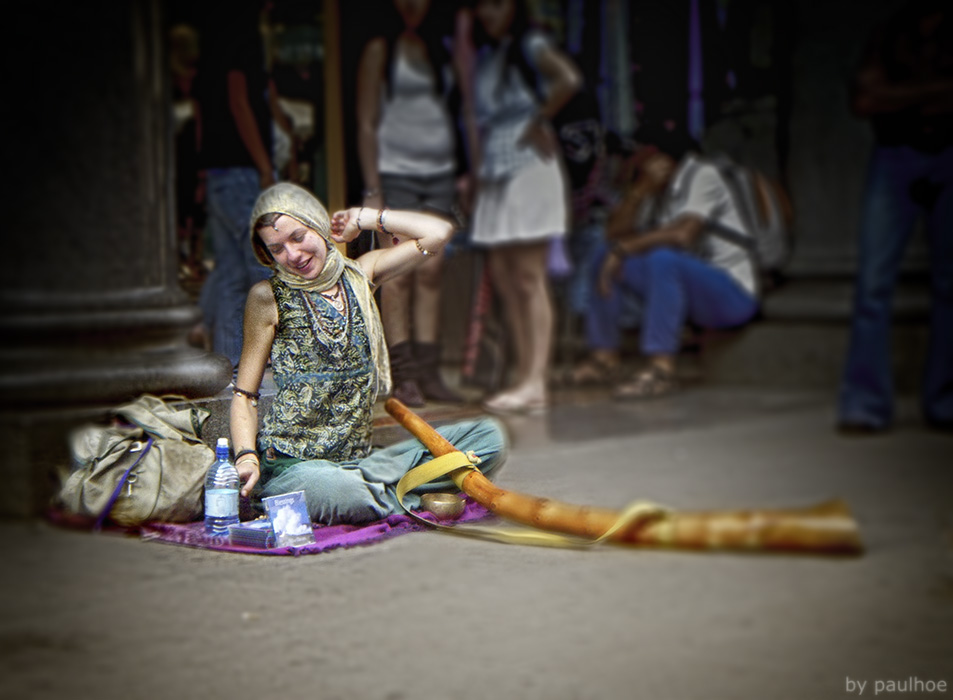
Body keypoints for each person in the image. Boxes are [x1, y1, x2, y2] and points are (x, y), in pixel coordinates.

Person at [229, 183, 507, 525]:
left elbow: (438, 233)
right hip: (296, 467)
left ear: (319, 224)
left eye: (299, 236)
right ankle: (411, 494)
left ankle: (388, 493)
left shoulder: (361, 274)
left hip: (362, 462)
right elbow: (244, 396)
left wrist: (365, 218)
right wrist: (246, 457)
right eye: (277, 249)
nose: (293, 254)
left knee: (488, 437)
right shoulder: (267, 297)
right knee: (343, 493)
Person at [569, 123, 760, 399]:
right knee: (603, 254)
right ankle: (604, 358)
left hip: (732, 294)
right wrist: (640, 190)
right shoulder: (654, 189)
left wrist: (624, 249)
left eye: (637, 155)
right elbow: (614, 234)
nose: (628, 163)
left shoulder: (702, 174)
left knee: (662, 258)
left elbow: (684, 234)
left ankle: (661, 368)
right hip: (687, 290)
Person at [837, 0, 953, 434]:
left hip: (947, 152)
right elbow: (864, 99)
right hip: (894, 155)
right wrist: (935, 94)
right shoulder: (890, 32)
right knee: (873, 283)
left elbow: (880, 96)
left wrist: (896, 97)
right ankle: (864, 404)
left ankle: (944, 401)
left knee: (949, 284)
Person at [468, 0, 582, 415]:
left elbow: (569, 78)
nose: (488, 12)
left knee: (529, 275)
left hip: (531, 165)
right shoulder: (487, 54)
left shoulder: (530, 43)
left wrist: (540, 119)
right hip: (498, 167)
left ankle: (536, 379)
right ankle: (523, 373)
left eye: (496, 4)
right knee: (504, 274)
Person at [356, 0, 464, 407]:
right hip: (394, 172)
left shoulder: (442, 47)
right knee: (398, 269)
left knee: (433, 269)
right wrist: (372, 186)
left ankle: (431, 369)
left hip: (437, 172)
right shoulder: (379, 49)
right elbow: (367, 120)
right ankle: (404, 374)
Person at [193, 0, 298, 370]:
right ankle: (263, 369)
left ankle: (232, 371)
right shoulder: (243, 35)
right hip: (241, 171)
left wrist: (203, 172)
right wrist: (265, 166)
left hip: (219, 172)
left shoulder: (212, 37)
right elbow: (239, 100)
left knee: (229, 278)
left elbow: (203, 111)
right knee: (260, 268)